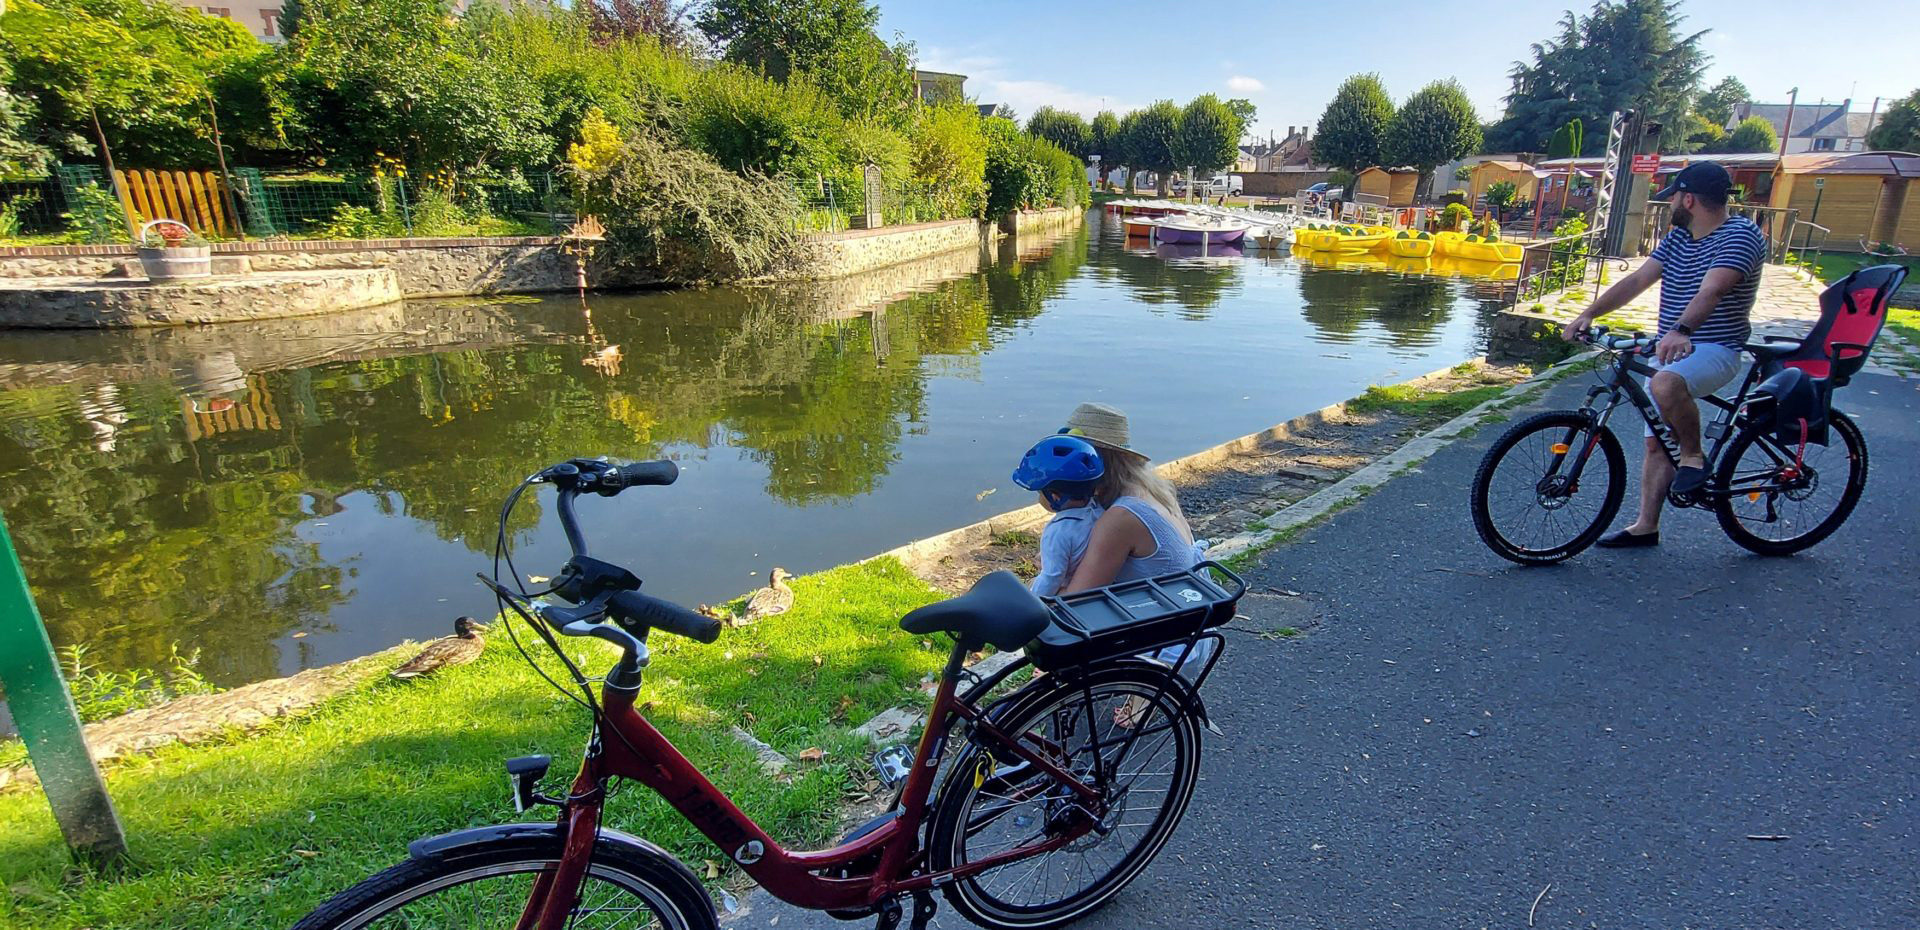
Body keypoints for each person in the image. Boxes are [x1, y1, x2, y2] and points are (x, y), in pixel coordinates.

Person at [1563, 161, 1768, 548]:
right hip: (1673, 346)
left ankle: (1693, 457)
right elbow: (1639, 279)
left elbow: (1714, 290)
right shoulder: (1678, 237)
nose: (1670, 202)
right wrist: (1588, 314)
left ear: (1688, 198)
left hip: (1715, 347)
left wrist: (1681, 330)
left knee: (1665, 383)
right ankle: (1646, 526)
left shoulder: (1739, 235)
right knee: (1656, 440)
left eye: (1673, 195)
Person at [1010, 435, 1106, 597]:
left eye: (1040, 494)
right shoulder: (1100, 511)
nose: (1039, 498)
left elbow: (1052, 577)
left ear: (1054, 496)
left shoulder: (1057, 531)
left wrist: (1032, 602)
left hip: (1069, 590)